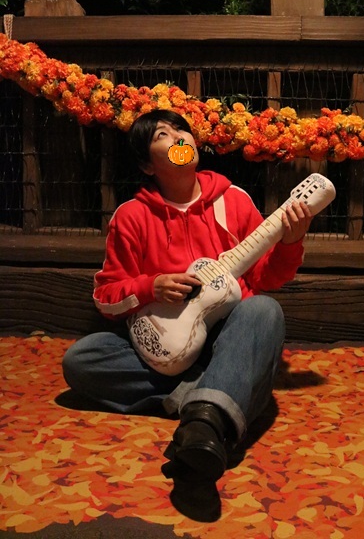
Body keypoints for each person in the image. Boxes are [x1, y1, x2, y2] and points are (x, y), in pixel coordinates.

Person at [62, 109, 313, 521]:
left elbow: (266, 278)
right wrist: (150, 287)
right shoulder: (131, 216)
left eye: (182, 129)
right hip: (165, 346)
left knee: (264, 311)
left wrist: (291, 242)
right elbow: (105, 297)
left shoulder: (233, 200)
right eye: (163, 134)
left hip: (225, 339)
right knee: (81, 360)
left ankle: (203, 428)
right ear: (147, 164)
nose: (179, 137)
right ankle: (214, 398)